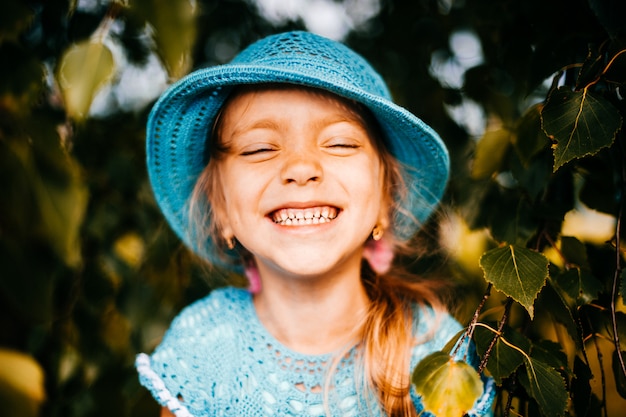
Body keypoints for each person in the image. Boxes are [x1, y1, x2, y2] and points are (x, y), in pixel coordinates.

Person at [135, 30, 495, 417]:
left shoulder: (436, 351)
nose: (301, 169)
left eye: (339, 143)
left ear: (386, 199)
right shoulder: (202, 348)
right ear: (220, 209)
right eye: (259, 149)